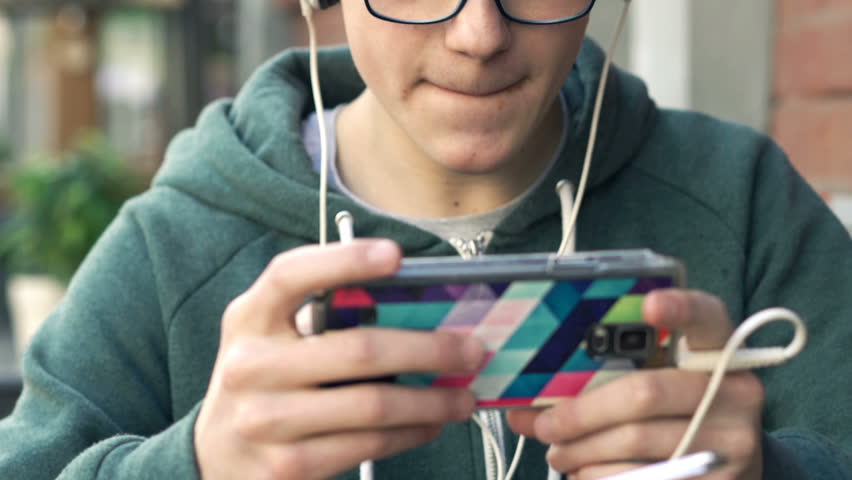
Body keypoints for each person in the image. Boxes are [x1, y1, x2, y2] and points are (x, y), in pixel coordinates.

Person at [2, 0, 851, 478]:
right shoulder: (172, 246)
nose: (479, 35)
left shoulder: (744, 199)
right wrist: (196, 464)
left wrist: (769, 472)